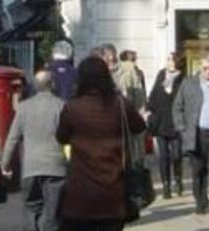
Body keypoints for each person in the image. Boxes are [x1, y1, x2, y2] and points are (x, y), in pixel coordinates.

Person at [56, 56, 146, 231]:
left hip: (80, 189)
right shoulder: (120, 104)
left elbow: (61, 137)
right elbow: (139, 127)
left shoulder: (73, 107)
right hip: (114, 188)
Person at [1, 70, 66, 231]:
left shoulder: (23, 108)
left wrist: (5, 164)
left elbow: (13, 138)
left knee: (31, 209)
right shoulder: (62, 106)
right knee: (52, 214)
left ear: (35, 87)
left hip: (31, 168)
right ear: (53, 85)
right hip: (56, 168)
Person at [173, 51, 209, 214]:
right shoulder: (189, 83)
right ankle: (201, 201)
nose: (208, 71)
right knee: (198, 170)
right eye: (206, 68)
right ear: (200, 68)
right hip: (197, 133)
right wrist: (182, 128)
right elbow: (177, 107)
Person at [147, 53, 185, 199]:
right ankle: (166, 186)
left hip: (176, 122)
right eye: (167, 60)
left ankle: (178, 180)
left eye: (170, 59)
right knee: (163, 156)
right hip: (160, 121)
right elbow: (154, 95)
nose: (167, 62)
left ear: (177, 62)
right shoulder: (161, 75)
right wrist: (148, 108)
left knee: (176, 155)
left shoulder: (182, 78)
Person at [101, 44, 146, 164]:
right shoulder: (99, 72)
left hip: (127, 116)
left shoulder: (128, 69)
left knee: (131, 153)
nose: (110, 60)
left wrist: (140, 113)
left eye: (112, 56)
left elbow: (139, 92)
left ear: (115, 55)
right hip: (108, 120)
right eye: (107, 57)